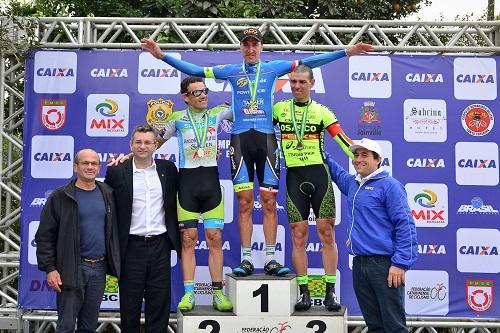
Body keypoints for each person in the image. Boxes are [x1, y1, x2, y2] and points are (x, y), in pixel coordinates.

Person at [141, 28, 373, 276]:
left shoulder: (274, 68)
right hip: (240, 140)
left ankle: (271, 258)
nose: (251, 49)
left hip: (266, 140)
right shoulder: (230, 71)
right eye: (246, 45)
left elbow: (309, 62)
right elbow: (196, 72)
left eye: (255, 45)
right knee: (244, 203)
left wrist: (347, 52)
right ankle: (247, 259)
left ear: (261, 47)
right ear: (241, 48)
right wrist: (161, 55)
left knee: (269, 201)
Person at [111, 77, 233, 312]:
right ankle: (189, 294)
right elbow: (151, 143)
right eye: (196, 93)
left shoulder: (219, 113)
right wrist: (128, 157)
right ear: (185, 97)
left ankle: (218, 293)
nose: (203, 95)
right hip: (186, 184)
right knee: (188, 239)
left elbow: (249, 110)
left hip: (211, 184)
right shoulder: (176, 119)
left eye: (205, 91)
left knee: (215, 238)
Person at [272, 64, 353, 311]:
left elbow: (343, 140)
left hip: (319, 176)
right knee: (298, 235)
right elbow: (255, 125)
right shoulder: (279, 108)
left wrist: (363, 159)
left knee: (326, 233)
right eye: (293, 82)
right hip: (294, 177)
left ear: (312, 84)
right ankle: (304, 293)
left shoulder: (322, 112)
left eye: (302, 82)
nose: (297, 86)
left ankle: (330, 293)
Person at [326, 138, 418, 332]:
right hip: (359, 265)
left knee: (394, 327)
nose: (358, 159)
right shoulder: (353, 183)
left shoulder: (390, 185)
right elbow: (335, 171)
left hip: (384, 265)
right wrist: (317, 149)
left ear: (378, 160)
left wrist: (400, 263)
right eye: (356, 155)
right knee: (374, 326)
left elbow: (405, 225)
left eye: (364, 155)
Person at [105, 125, 181, 333]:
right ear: (131, 145)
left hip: (160, 245)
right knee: (129, 306)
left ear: (156, 145)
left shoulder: (168, 169)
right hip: (130, 247)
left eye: (148, 142)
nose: (143, 146)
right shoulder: (116, 171)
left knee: (159, 305)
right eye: (138, 142)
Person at [35, 149, 120, 333]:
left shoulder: (107, 193)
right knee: (65, 326)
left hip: (99, 269)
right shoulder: (60, 196)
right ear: (75, 167)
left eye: (94, 163)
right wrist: (50, 268)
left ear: (99, 168)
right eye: (85, 163)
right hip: (71, 268)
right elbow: (44, 236)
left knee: (89, 326)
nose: (90, 167)